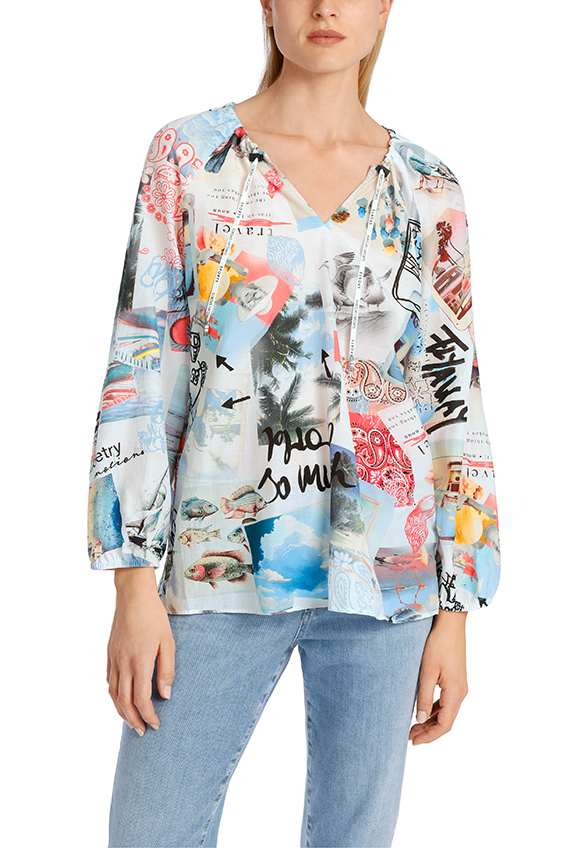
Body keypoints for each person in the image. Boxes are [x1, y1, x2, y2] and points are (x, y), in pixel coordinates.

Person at [87, 1, 502, 845]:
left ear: (384, 8)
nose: (325, 8)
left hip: (388, 581)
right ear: (267, 4)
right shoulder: (191, 158)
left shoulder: (427, 186)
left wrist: (457, 609)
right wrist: (131, 580)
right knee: (150, 829)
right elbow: (144, 364)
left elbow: (452, 397)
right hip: (220, 568)